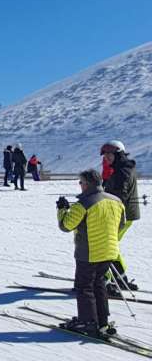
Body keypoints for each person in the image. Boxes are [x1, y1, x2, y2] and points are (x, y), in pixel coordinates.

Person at [56, 169, 125, 335]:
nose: (80, 185)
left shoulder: (84, 204)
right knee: (99, 284)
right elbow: (121, 225)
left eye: (81, 182)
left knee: (84, 286)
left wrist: (62, 210)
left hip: (89, 252)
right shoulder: (116, 201)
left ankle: (87, 322)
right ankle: (102, 320)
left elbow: (66, 226)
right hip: (109, 251)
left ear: (87, 184)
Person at [100, 140, 140, 290]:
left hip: (122, 215)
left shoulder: (122, 171)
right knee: (111, 245)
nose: (106, 158)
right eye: (105, 155)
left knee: (106, 245)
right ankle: (120, 278)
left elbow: (119, 195)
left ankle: (106, 280)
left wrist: (103, 199)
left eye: (109, 154)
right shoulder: (121, 168)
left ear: (118, 154)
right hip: (124, 214)